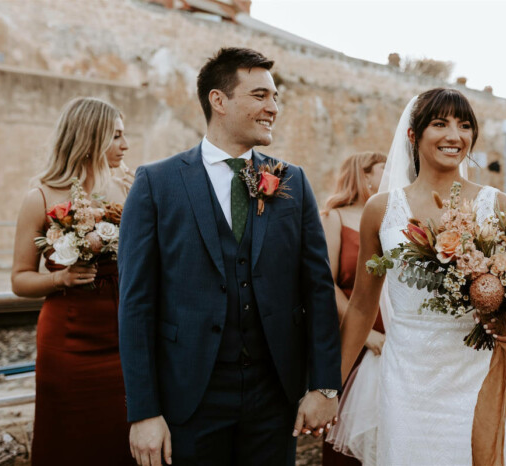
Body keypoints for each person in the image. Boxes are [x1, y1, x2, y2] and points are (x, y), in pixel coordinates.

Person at [117, 47, 341, 466]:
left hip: (274, 398)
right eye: (260, 96)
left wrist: (324, 386)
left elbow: (318, 288)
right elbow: (135, 305)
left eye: (275, 97)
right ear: (218, 101)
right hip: (189, 397)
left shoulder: (292, 181)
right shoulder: (156, 183)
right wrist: (144, 412)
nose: (273, 107)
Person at [335, 89, 506, 464]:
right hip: (406, 381)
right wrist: (328, 387)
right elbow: (361, 307)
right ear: (413, 135)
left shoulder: (499, 206)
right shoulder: (381, 209)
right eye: (440, 123)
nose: (455, 135)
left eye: (464, 125)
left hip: (475, 374)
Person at [11, 97, 133, 465]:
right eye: (116, 135)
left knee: (122, 439)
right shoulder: (41, 197)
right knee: (69, 443)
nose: (125, 145)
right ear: (88, 138)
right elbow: (19, 280)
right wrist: (61, 278)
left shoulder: (128, 192)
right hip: (68, 341)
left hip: (124, 338)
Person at [319, 152, 386, 466]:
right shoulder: (335, 217)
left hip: (391, 334)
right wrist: (367, 334)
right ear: (365, 175)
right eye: (383, 170)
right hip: (352, 333)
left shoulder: (394, 218)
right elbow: (327, 283)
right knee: (347, 426)